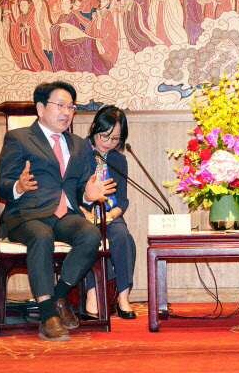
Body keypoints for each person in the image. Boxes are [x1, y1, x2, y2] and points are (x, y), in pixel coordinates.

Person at [0, 81, 116, 341]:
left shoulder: (78, 144)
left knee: (90, 235)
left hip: (64, 214)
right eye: (60, 105)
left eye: (71, 107)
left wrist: (88, 194)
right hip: (27, 214)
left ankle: (59, 296)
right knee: (42, 237)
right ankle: (47, 315)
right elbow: (3, 185)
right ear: (40, 108)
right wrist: (18, 185)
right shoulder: (18, 138)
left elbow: (82, 187)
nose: (66, 112)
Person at [83, 106, 137, 320]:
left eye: (115, 139)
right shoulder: (80, 152)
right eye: (104, 136)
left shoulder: (118, 159)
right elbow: (68, 191)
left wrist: (109, 216)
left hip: (110, 214)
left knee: (123, 237)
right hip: (83, 214)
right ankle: (93, 294)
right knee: (88, 238)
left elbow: (122, 200)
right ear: (94, 128)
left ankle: (123, 297)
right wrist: (85, 214)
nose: (108, 143)